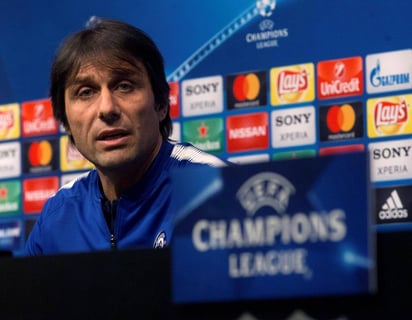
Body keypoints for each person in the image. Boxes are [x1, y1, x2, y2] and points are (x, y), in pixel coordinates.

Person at [25, 17, 229, 256]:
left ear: (161, 103)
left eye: (124, 86)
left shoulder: (217, 192)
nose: (107, 108)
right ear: (66, 121)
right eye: (86, 92)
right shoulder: (56, 219)